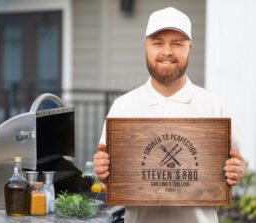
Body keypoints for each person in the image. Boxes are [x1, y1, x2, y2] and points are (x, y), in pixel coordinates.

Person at [93, 7, 245, 223]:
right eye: (158, 43)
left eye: (177, 43)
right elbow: (110, 181)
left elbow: (234, 167)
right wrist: (104, 173)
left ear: (189, 49)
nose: (167, 51)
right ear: (145, 46)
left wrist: (237, 170)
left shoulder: (214, 106)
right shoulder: (123, 107)